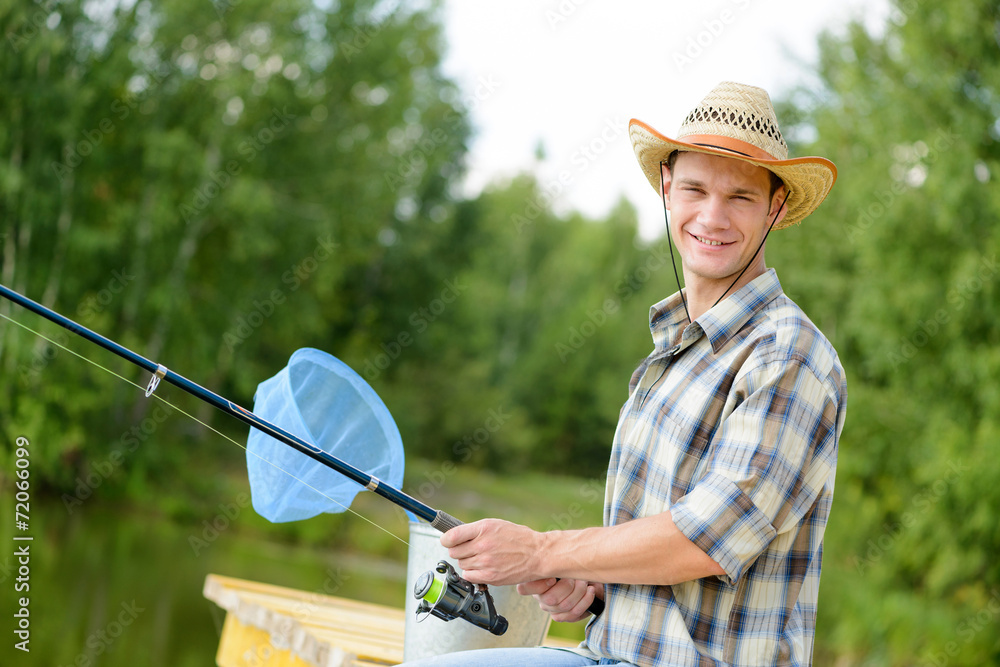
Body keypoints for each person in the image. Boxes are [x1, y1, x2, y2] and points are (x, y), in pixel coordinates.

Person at [401, 81, 847, 667]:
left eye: (740, 196)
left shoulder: (789, 356)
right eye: (694, 188)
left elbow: (707, 538)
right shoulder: (672, 350)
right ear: (667, 189)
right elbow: (666, 561)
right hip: (609, 653)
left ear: (776, 207)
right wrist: (591, 588)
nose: (712, 216)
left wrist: (540, 551)